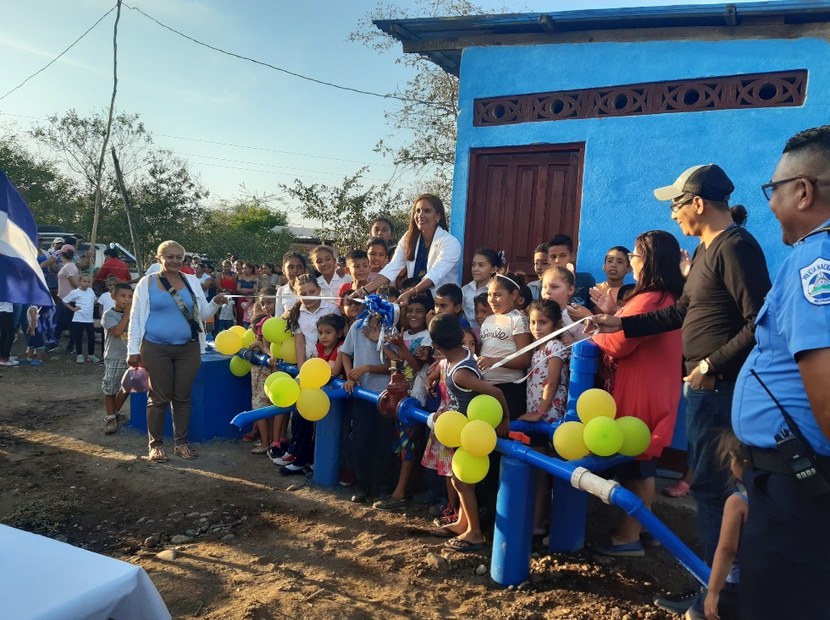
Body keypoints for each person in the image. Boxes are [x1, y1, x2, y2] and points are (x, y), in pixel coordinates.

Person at [588, 164, 771, 567]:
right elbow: (681, 312)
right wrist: (622, 322)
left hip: (721, 387)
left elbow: (761, 321)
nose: (673, 214)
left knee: (713, 488)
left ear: (699, 203)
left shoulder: (735, 246)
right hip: (704, 387)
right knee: (708, 486)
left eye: (677, 204)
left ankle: (720, 592)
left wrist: (710, 364)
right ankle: (712, 589)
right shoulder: (707, 249)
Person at [731, 126, 830, 619]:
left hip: (800, 485)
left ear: (804, 191)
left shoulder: (817, 258)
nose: (770, 204)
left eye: (774, 190)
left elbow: (825, 385)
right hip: (786, 473)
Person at [590, 230, 685, 557]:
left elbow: (617, 344)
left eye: (635, 255)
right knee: (643, 466)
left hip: (643, 394)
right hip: (657, 389)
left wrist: (593, 328)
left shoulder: (650, 300)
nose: (632, 261)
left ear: (650, 261)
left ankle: (628, 536)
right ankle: (644, 530)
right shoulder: (665, 297)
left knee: (638, 467)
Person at [127, 240, 227, 463]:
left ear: (184, 259)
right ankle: (155, 445)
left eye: (179, 257)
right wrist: (133, 350)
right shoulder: (147, 283)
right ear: (159, 258)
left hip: (188, 349)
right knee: (159, 397)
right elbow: (135, 317)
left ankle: (181, 444)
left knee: (182, 398)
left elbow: (201, 315)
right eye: (169, 256)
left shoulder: (191, 281)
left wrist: (217, 303)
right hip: (155, 347)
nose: (174, 260)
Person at [427, 313, 510, 551]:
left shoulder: (461, 372)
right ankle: (463, 523)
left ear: (436, 346)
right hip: (460, 431)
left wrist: (505, 417)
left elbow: (496, 392)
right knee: (461, 480)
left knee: (462, 481)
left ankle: (474, 532)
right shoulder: (461, 355)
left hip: (469, 434)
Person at [681, 431, 747, 620]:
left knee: (693, 615)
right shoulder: (780, 501)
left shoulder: (738, 503)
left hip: (734, 588)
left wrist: (713, 592)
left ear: (741, 464)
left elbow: (727, 550)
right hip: (767, 586)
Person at [376, 295, 433, 510]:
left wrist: (400, 345)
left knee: (408, 446)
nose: (413, 315)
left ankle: (399, 493)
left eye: (419, 311)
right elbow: (397, 361)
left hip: (415, 400)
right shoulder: (403, 334)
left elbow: (417, 365)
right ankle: (404, 487)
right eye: (410, 311)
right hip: (398, 398)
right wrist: (384, 344)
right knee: (400, 446)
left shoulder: (428, 337)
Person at [519, 299, 570, 536]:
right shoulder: (538, 347)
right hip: (539, 419)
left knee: (547, 471)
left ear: (556, 324)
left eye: (543, 322)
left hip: (549, 418)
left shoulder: (554, 346)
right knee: (539, 471)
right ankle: (536, 521)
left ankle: (540, 523)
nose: (537, 327)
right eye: (532, 322)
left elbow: (554, 379)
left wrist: (540, 411)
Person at [360, 194, 461, 307]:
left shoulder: (450, 242)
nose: (420, 215)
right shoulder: (409, 238)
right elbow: (393, 267)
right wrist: (363, 291)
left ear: (438, 216)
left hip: (441, 305)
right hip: (415, 303)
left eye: (427, 211)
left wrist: (410, 293)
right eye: (417, 211)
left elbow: (434, 275)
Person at [338, 311, 392, 502]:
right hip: (362, 394)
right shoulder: (357, 325)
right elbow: (345, 353)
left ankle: (384, 486)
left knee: (384, 442)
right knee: (360, 440)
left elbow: (395, 364)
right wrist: (350, 376)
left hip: (385, 395)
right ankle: (362, 484)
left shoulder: (392, 328)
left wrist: (367, 367)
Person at [101, 283, 133, 435]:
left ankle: (115, 412)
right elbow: (117, 332)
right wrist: (127, 315)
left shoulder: (135, 313)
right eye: (123, 296)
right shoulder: (109, 314)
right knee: (111, 387)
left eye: (130, 296)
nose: (127, 299)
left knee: (129, 386)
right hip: (114, 356)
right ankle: (110, 417)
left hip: (131, 356)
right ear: (113, 297)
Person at [547, 234, 596, 308]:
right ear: (548, 260)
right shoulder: (544, 284)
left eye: (563, 255)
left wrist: (585, 315)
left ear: (572, 256)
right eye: (553, 257)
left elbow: (597, 314)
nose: (557, 261)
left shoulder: (586, 280)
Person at [62, 273, 98, 364]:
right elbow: (65, 301)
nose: (86, 283)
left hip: (89, 318)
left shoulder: (91, 291)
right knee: (79, 337)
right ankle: (79, 355)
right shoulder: (75, 292)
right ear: (79, 282)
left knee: (91, 337)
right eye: (84, 281)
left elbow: (93, 300)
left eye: (88, 281)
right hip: (78, 318)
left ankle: (91, 354)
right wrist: (73, 309)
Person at [462, 248, 501, 328]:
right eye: (473, 265)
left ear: (493, 269)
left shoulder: (497, 292)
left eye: (481, 265)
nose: (475, 269)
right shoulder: (465, 290)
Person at [55, 245, 80, 346]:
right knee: (59, 321)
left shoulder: (68, 267)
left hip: (68, 298)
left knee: (70, 323)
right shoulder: (72, 265)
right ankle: (55, 341)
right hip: (64, 298)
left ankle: (71, 345)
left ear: (61, 254)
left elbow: (74, 283)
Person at [275, 252, 307, 318]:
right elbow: (278, 317)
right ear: (283, 270)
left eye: (299, 267)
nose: (295, 270)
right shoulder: (281, 291)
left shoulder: (313, 289)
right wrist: (284, 316)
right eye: (291, 267)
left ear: (304, 270)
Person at [0, 301, 17, 367]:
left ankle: (2, 356)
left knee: (3, 335)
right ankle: (5, 357)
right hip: (6, 311)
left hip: (1, 311)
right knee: (10, 336)